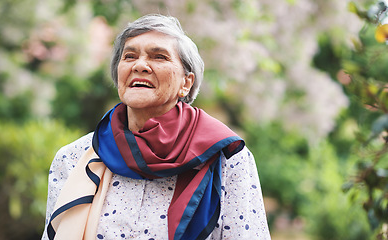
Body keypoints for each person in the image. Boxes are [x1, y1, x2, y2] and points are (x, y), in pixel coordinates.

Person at [42, 14, 270, 240]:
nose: (140, 65)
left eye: (159, 57)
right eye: (129, 56)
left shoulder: (225, 159)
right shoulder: (73, 158)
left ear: (186, 83)